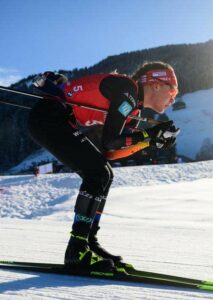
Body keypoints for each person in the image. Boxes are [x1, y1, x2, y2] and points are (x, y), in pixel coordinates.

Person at [27, 62, 180, 273]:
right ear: (155, 84)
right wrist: (149, 135)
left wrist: (149, 142)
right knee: (97, 173)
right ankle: (77, 249)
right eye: (173, 90)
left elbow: (111, 153)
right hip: (49, 118)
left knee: (104, 173)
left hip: (55, 120)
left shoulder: (131, 106)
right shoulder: (128, 92)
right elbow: (111, 141)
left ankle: (88, 242)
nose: (174, 97)